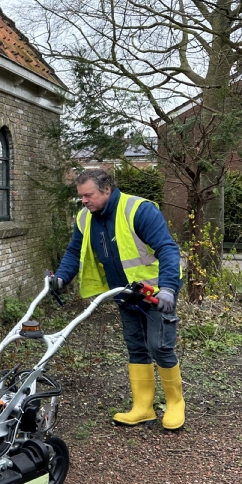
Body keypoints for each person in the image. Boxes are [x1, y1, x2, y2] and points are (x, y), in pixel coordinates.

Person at [51, 168, 185, 430]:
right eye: (81, 196)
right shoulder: (85, 218)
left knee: (159, 347)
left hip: (156, 292)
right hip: (124, 293)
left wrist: (168, 288)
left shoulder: (138, 210)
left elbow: (168, 249)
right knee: (136, 347)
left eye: (88, 195)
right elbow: (74, 251)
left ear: (107, 189)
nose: (84, 201)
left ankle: (175, 404)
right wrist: (60, 278)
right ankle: (143, 407)